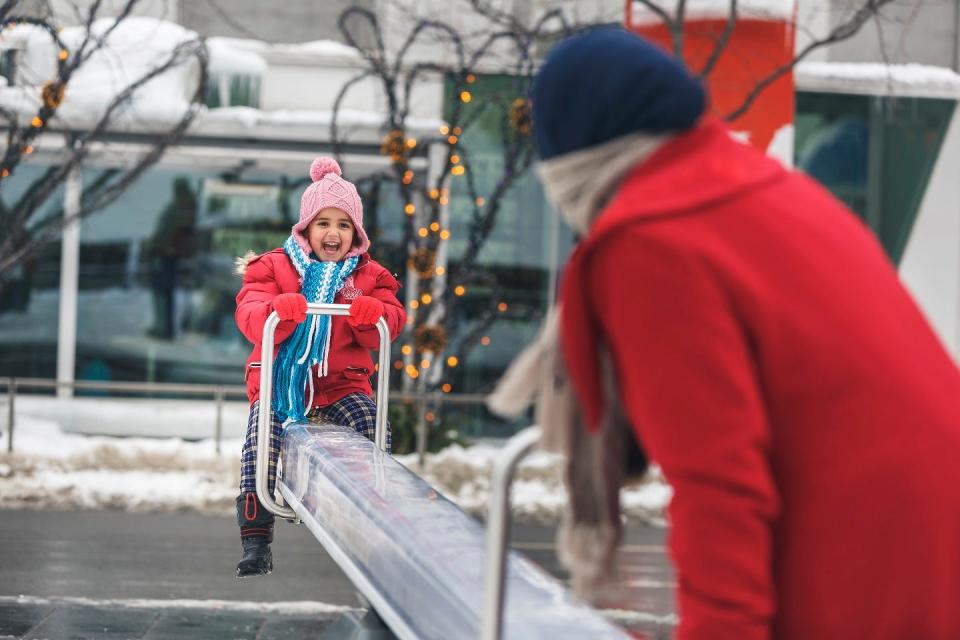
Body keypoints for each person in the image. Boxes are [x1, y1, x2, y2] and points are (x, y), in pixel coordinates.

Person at [489, 27, 960, 639]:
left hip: (858, 581)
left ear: (571, 162)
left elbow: (720, 491)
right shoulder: (764, 191)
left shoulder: (652, 242)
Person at [233, 157, 405, 578]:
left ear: (357, 235)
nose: (333, 233)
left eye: (344, 225)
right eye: (324, 223)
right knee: (262, 439)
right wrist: (281, 312)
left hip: (342, 384)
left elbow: (392, 320)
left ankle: (369, 517)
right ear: (306, 228)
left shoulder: (369, 276)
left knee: (371, 424)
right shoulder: (274, 267)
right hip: (285, 382)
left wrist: (372, 316)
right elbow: (251, 313)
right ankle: (257, 539)